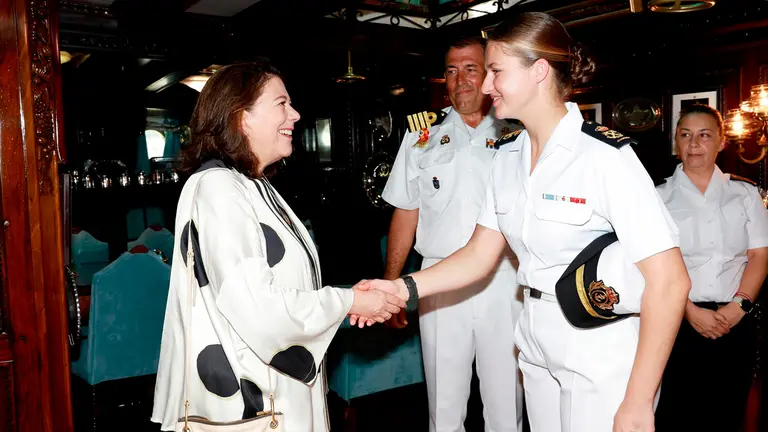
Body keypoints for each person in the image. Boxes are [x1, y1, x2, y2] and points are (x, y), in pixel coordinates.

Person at [352, 12, 691, 432]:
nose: (486, 85)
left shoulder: (604, 158)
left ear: (539, 72)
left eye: (495, 71)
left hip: (598, 344)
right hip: (533, 335)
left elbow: (670, 281)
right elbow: (478, 254)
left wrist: (639, 400)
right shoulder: (509, 157)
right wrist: (400, 287)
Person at [151, 61, 406, 432]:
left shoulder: (250, 184)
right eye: (281, 103)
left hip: (272, 385)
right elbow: (257, 307)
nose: (295, 114)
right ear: (242, 117)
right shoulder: (219, 188)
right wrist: (350, 301)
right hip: (255, 395)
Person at [381, 35, 524, 432]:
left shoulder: (519, 132)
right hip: (439, 280)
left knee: (506, 402)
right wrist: (393, 286)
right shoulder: (421, 136)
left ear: (490, 73)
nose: (461, 79)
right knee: (443, 406)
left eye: (471, 69)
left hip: (505, 279)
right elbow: (405, 211)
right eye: (451, 70)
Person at [654, 104, 768, 432]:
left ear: (721, 142)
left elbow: (760, 255)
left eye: (704, 136)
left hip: (735, 320)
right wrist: (687, 310)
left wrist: (740, 305)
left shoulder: (745, 194)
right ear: (676, 143)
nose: (693, 144)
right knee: (676, 413)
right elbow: (655, 264)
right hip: (676, 323)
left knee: (728, 411)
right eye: (685, 135)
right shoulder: (657, 197)